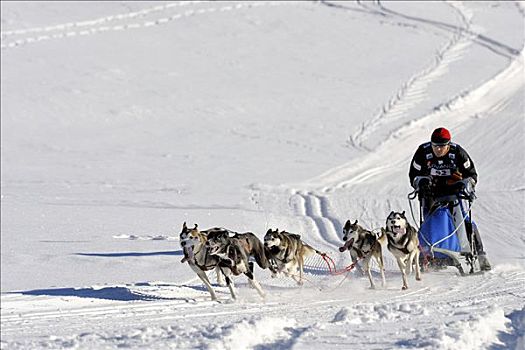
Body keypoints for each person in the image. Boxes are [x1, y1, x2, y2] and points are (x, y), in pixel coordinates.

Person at [409, 127, 491, 271]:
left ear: (448, 144)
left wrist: (464, 185)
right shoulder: (423, 152)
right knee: (429, 220)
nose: (438, 150)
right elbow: (413, 174)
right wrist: (420, 182)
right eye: (435, 146)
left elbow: (472, 175)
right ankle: (429, 253)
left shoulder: (458, 153)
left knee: (464, 220)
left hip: (455, 191)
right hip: (430, 192)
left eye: (442, 147)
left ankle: (479, 254)